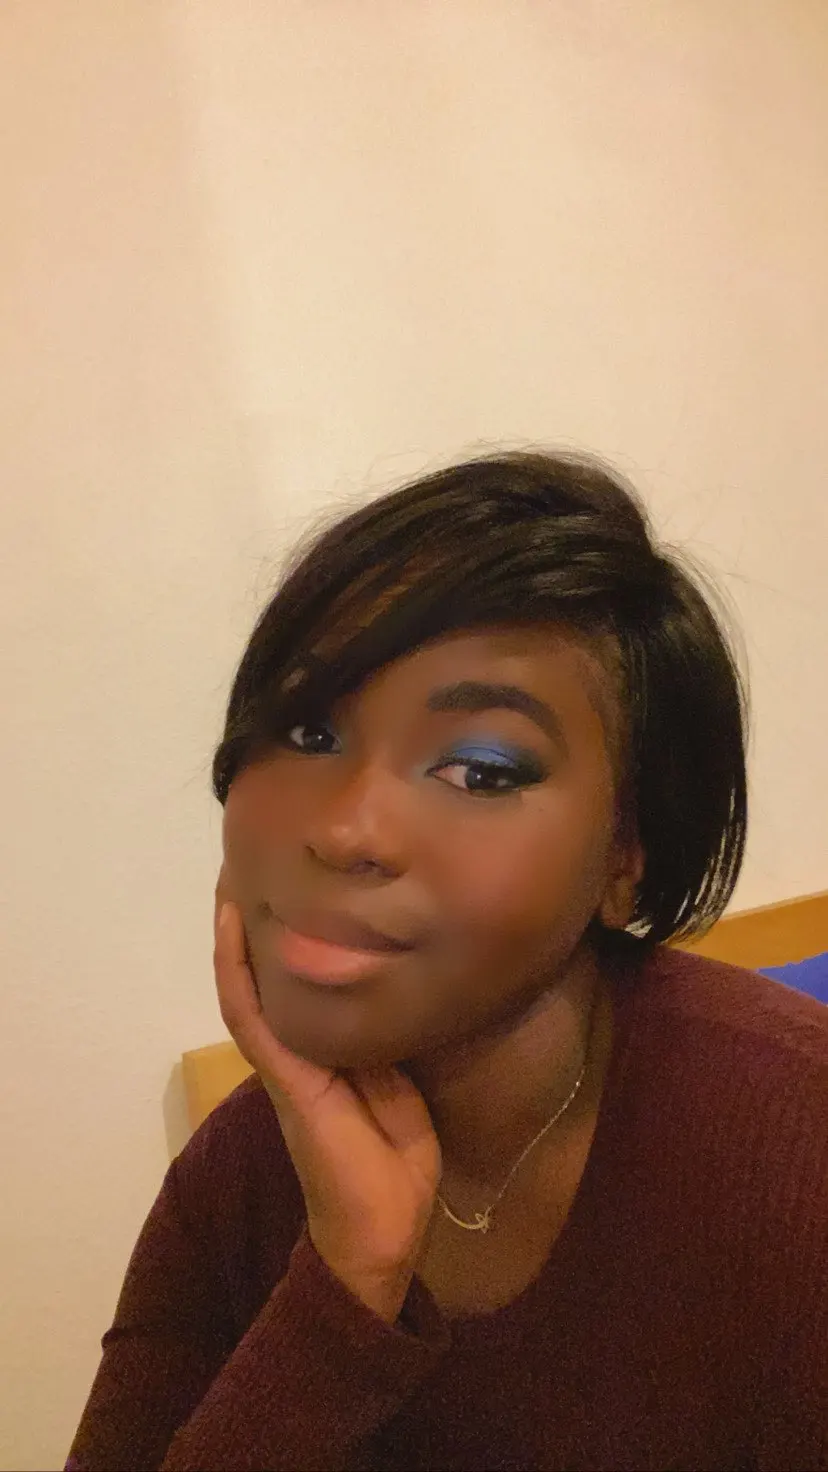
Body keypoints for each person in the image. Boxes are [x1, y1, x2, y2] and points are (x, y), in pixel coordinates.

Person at [67, 451, 828, 1471]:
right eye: (309, 729)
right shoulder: (234, 1181)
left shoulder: (796, 1155)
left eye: (479, 770)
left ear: (625, 856)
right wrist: (343, 1290)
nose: (346, 829)